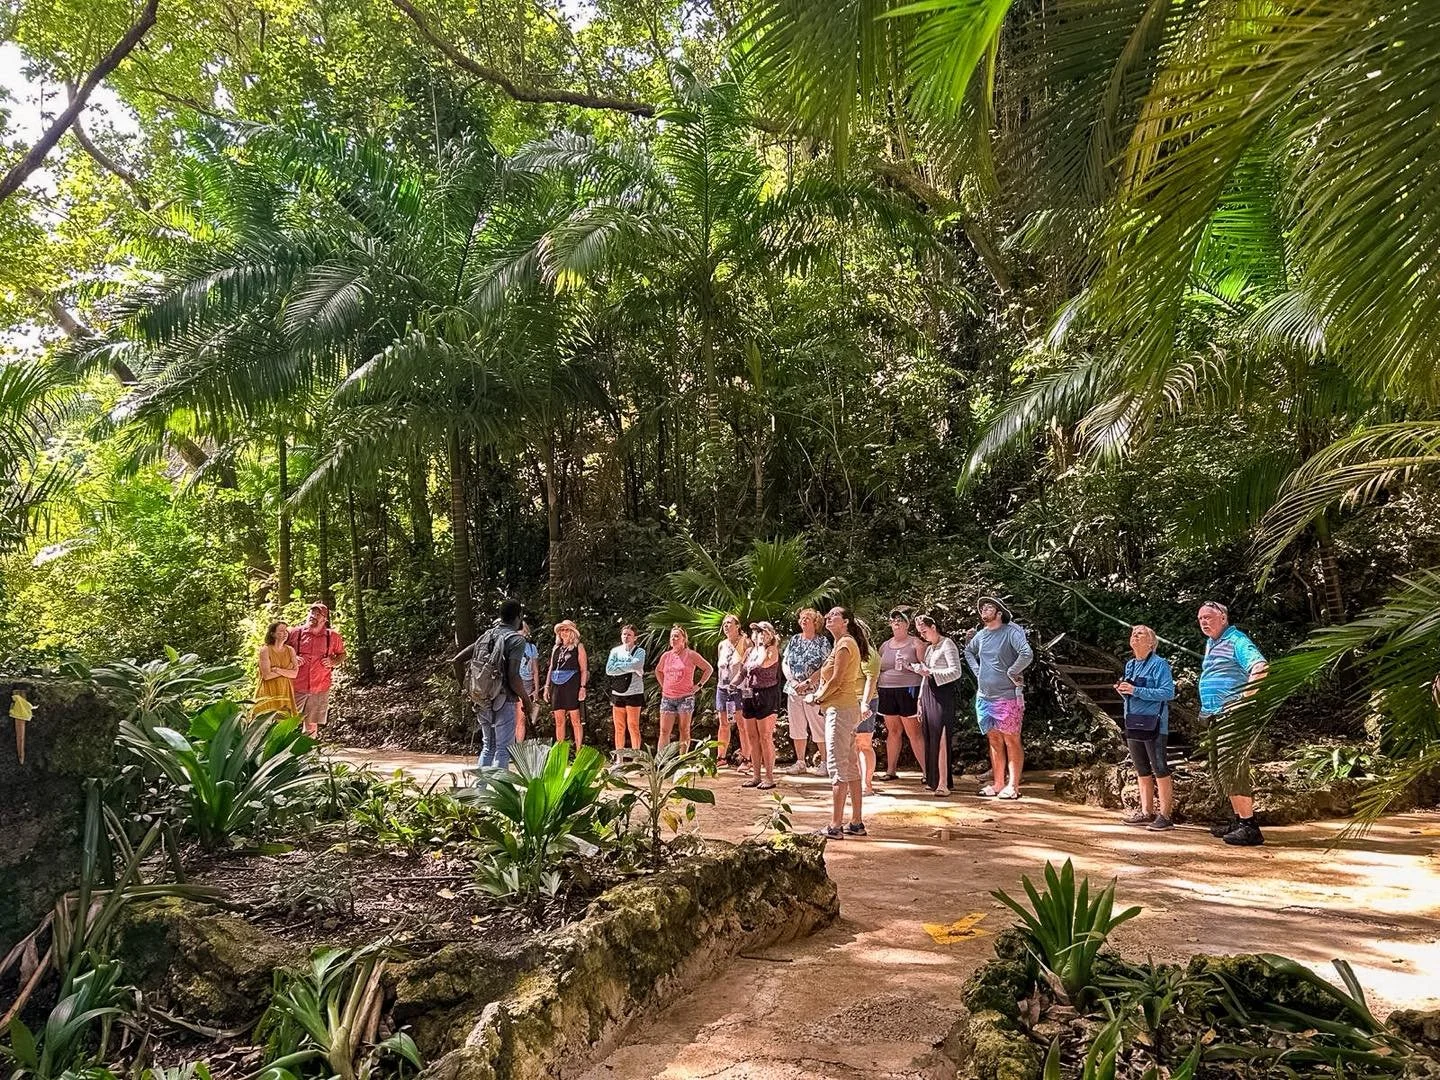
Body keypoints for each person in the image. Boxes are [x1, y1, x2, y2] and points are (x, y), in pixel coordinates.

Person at [1197, 600, 1269, 846]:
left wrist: (1243, 701)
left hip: (1233, 717)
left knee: (1233, 768)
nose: (1204, 622)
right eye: (1200, 619)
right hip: (1216, 715)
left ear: (1223, 618)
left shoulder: (1237, 640)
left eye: (1208, 617)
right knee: (1221, 769)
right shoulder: (1212, 643)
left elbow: (1260, 667)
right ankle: (1238, 820)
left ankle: (1250, 827)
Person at [808, 607, 869, 837]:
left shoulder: (845, 644)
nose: (828, 617)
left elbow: (836, 679)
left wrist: (818, 698)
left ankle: (835, 825)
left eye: (833, 615)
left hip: (840, 711)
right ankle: (856, 822)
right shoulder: (842, 643)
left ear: (845, 621)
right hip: (845, 709)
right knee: (850, 764)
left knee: (837, 766)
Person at [965, 597, 1033, 800]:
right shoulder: (982, 635)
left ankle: (1013, 786)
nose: (984, 610)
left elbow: (1026, 653)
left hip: (1008, 696)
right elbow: (969, 651)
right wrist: (977, 671)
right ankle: (997, 783)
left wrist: (1013, 671)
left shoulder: (1011, 632)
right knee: (994, 739)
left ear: (999, 612)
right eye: (982, 607)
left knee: (1011, 739)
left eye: (989, 607)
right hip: (984, 697)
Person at [453, 599, 534, 771]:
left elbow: (457, 660)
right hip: (504, 700)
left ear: (500, 617)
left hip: (482, 698)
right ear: (519, 617)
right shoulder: (516, 640)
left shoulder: (487, 636)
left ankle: (481, 793)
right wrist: (526, 702)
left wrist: (466, 689)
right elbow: (513, 676)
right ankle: (500, 795)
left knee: (488, 746)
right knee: (503, 750)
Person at [1117, 625, 1177, 831]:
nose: (1134, 636)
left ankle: (1165, 816)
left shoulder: (1160, 665)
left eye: (1140, 634)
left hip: (1155, 724)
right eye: (1133, 633)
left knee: (1160, 768)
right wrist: (1124, 691)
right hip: (1133, 722)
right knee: (1141, 768)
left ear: (1151, 643)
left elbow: (1168, 692)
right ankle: (1146, 812)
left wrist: (1136, 690)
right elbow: (1132, 692)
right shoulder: (1130, 664)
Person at [914, 613, 964, 795]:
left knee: (941, 737)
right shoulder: (930, 649)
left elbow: (956, 671)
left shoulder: (947, 644)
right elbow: (925, 675)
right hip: (928, 693)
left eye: (924, 631)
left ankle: (943, 782)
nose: (923, 636)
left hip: (942, 694)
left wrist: (932, 672)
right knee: (930, 736)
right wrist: (920, 698)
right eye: (920, 633)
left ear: (933, 626)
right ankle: (933, 779)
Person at [782, 608, 831, 775]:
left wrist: (809, 681)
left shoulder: (822, 642)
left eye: (807, 619)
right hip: (794, 690)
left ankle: (825, 762)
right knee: (797, 727)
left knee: (818, 726)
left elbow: (826, 665)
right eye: (801, 618)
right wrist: (793, 681)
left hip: (814, 691)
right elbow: (785, 663)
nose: (803, 621)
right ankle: (800, 762)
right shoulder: (794, 640)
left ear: (815, 622)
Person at [878, 610, 926, 782]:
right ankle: (891, 770)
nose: (896, 623)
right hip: (886, 690)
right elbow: (878, 666)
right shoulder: (885, 645)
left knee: (914, 731)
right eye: (893, 620)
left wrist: (909, 665)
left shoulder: (916, 643)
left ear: (907, 623)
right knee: (893, 731)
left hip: (909, 688)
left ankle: (928, 772)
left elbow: (925, 668)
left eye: (900, 620)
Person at [288, 602, 346, 736]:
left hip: (319, 686)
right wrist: (292, 658)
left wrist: (333, 661)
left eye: (318, 614)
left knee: (311, 724)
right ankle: (282, 754)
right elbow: (279, 650)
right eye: (312, 612)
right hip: (295, 685)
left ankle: (308, 753)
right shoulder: (294, 633)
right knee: (286, 721)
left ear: (324, 619)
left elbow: (342, 654)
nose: (313, 616)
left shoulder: (332, 636)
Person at [654, 625, 714, 746]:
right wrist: (663, 685)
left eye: (676, 636)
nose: (673, 639)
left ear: (684, 639)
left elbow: (708, 669)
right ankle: (662, 762)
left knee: (684, 730)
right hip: (667, 698)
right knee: (664, 731)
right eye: (671, 636)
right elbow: (658, 670)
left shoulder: (691, 654)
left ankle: (682, 759)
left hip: (685, 698)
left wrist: (699, 685)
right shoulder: (666, 656)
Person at [739, 621, 781, 789]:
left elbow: (762, 663)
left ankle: (769, 777)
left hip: (767, 694)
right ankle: (756, 775)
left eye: (762, 632)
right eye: (756, 632)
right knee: (752, 736)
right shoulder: (749, 651)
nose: (758, 635)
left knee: (765, 736)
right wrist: (732, 686)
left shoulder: (771, 651)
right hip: (749, 694)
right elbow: (742, 672)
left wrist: (763, 645)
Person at [714, 614, 752, 769]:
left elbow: (749, 667)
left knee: (742, 724)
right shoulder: (722, 644)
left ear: (738, 626)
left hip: (740, 689)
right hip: (722, 688)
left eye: (729, 623)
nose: (726, 626)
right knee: (723, 723)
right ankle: (721, 757)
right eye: (724, 623)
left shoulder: (746, 642)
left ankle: (747, 759)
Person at [545, 620, 588, 747]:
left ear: (573, 632)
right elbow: (551, 667)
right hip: (556, 683)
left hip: (572, 683)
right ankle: (560, 750)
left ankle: (579, 750)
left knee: (575, 719)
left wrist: (582, 687)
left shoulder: (578, 647)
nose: (564, 632)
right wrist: (547, 687)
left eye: (567, 629)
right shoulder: (556, 647)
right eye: (562, 630)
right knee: (559, 720)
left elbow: (584, 669)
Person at [606, 624, 647, 751]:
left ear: (635, 637)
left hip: (634, 692)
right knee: (619, 727)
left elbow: (637, 664)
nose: (626, 637)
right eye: (624, 634)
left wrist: (618, 665)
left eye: (629, 634)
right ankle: (620, 758)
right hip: (618, 692)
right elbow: (609, 669)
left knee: (633, 725)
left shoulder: (640, 651)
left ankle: (636, 758)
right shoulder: (615, 651)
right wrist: (630, 666)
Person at [857, 625, 883, 796]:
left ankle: (867, 784)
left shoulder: (869, 653)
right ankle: (857, 781)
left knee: (864, 743)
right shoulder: (849, 651)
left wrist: (864, 704)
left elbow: (871, 680)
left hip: (865, 701)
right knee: (853, 745)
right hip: (849, 702)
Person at [254, 621, 299, 718]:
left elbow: (295, 674)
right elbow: (267, 676)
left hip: (284, 690)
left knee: (283, 722)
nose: (285, 633)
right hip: (267, 691)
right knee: (264, 722)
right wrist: (287, 670)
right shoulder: (265, 650)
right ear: (273, 634)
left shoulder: (290, 650)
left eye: (286, 630)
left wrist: (277, 670)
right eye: (281, 631)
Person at [515, 617, 539, 742]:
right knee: (510, 717)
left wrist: (536, 689)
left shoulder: (531, 648)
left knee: (521, 717)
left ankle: (517, 748)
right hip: (512, 682)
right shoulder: (510, 646)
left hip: (526, 683)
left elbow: (535, 670)